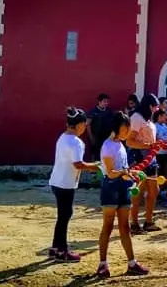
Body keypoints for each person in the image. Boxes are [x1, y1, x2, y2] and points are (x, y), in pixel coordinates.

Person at [96, 112, 148, 278]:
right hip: (110, 188)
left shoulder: (120, 145)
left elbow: (120, 169)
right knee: (108, 226)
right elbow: (111, 173)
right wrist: (124, 173)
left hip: (123, 187)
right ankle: (102, 264)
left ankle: (132, 263)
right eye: (125, 128)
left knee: (125, 227)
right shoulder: (107, 146)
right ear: (117, 127)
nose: (127, 132)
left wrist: (131, 173)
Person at [48, 107, 98, 262]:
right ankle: (62, 250)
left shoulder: (63, 137)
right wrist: (95, 166)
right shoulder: (76, 142)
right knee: (65, 215)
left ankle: (56, 247)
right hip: (66, 183)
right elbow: (78, 164)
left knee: (62, 216)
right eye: (84, 124)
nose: (85, 127)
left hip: (57, 181)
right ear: (79, 124)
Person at [127, 95, 161, 233]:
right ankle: (134, 223)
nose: (156, 109)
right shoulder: (136, 118)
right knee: (138, 191)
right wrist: (149, 145)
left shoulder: (147, 119)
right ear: (148, 106)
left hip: (151, 157)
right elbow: (129, 141)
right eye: (154, 106)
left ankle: (148, 221)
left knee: (154, 190)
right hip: (139, 157)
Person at [86, 93, 114, 162]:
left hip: (106, 137)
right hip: (96, 136)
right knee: (94, 152)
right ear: (99, 102)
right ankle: (93, 169)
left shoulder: (109, 111)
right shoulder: (93, 111)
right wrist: (91, 137)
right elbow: (88, 124)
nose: (106, 103)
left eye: (107, 101)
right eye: (104, 101)